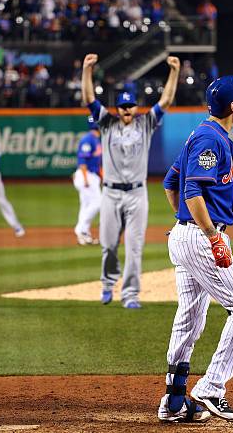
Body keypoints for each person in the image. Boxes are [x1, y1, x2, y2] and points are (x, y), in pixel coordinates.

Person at [157, 75, 233, 422]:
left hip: (188, 235)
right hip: (203, 237)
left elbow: (169, 181)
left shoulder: (203, 133)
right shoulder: (210, 138)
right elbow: (190, 191)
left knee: (190, 316)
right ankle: (211, 388)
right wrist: (211, 236)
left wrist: (183, 222)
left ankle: (173, 400)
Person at [81, 53, 180, 308]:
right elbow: (89, 99)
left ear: (136, 108)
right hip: (111, 194)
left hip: (137, 194)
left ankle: (130, 295)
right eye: (123, 107)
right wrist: (87, 70)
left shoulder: (146, 123)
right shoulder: (106, 123)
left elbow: (166, 100)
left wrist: (174, 72)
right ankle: (106, 285)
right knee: (109, 245)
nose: (126, 110)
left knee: (135, 247)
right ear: (118, 109)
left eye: (130, 106)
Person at [73, 115, 103, 245]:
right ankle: (80, 229)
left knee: (85, 206)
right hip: (86, 176)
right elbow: (83, 161)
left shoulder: (96, 140)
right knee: (98, 202)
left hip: (91, 176)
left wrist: (102, 177)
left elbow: (97, 163)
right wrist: (85, 179)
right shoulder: (88, 139)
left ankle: (84, 235)